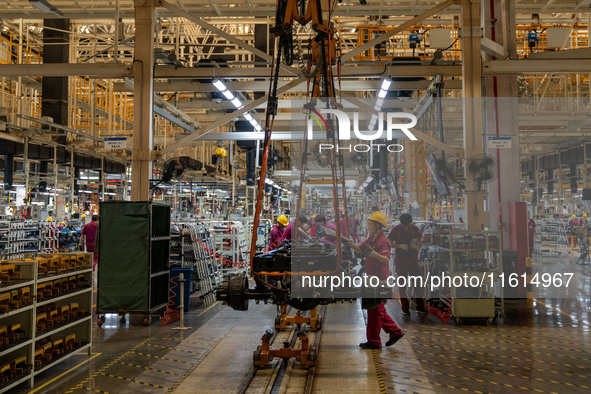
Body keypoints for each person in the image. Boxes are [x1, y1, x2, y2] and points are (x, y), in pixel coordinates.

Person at [346, 211, 404, 349]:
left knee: (375, 311)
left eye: (371, 224)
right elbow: (360, 250)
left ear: (378, 226)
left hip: (379, 280)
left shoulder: (383, 241)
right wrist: (347, 242)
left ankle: (374, 341)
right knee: (377, 309)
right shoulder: (371, 239)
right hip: (370, 277)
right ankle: (395, 332)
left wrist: (374, 254)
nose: (368, 226)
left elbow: (385, 259)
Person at [388, 213, 427, 315]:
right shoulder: (396, 229)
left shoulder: (414, 228)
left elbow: (419, 239)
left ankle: (420, 306)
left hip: (412, 259)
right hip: (401, 259)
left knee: (417, 283)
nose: (406, 226)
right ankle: (405, 308)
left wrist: (417, 244)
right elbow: (389, 242)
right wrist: (399, 246)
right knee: (402, 284)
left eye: (407, 224)